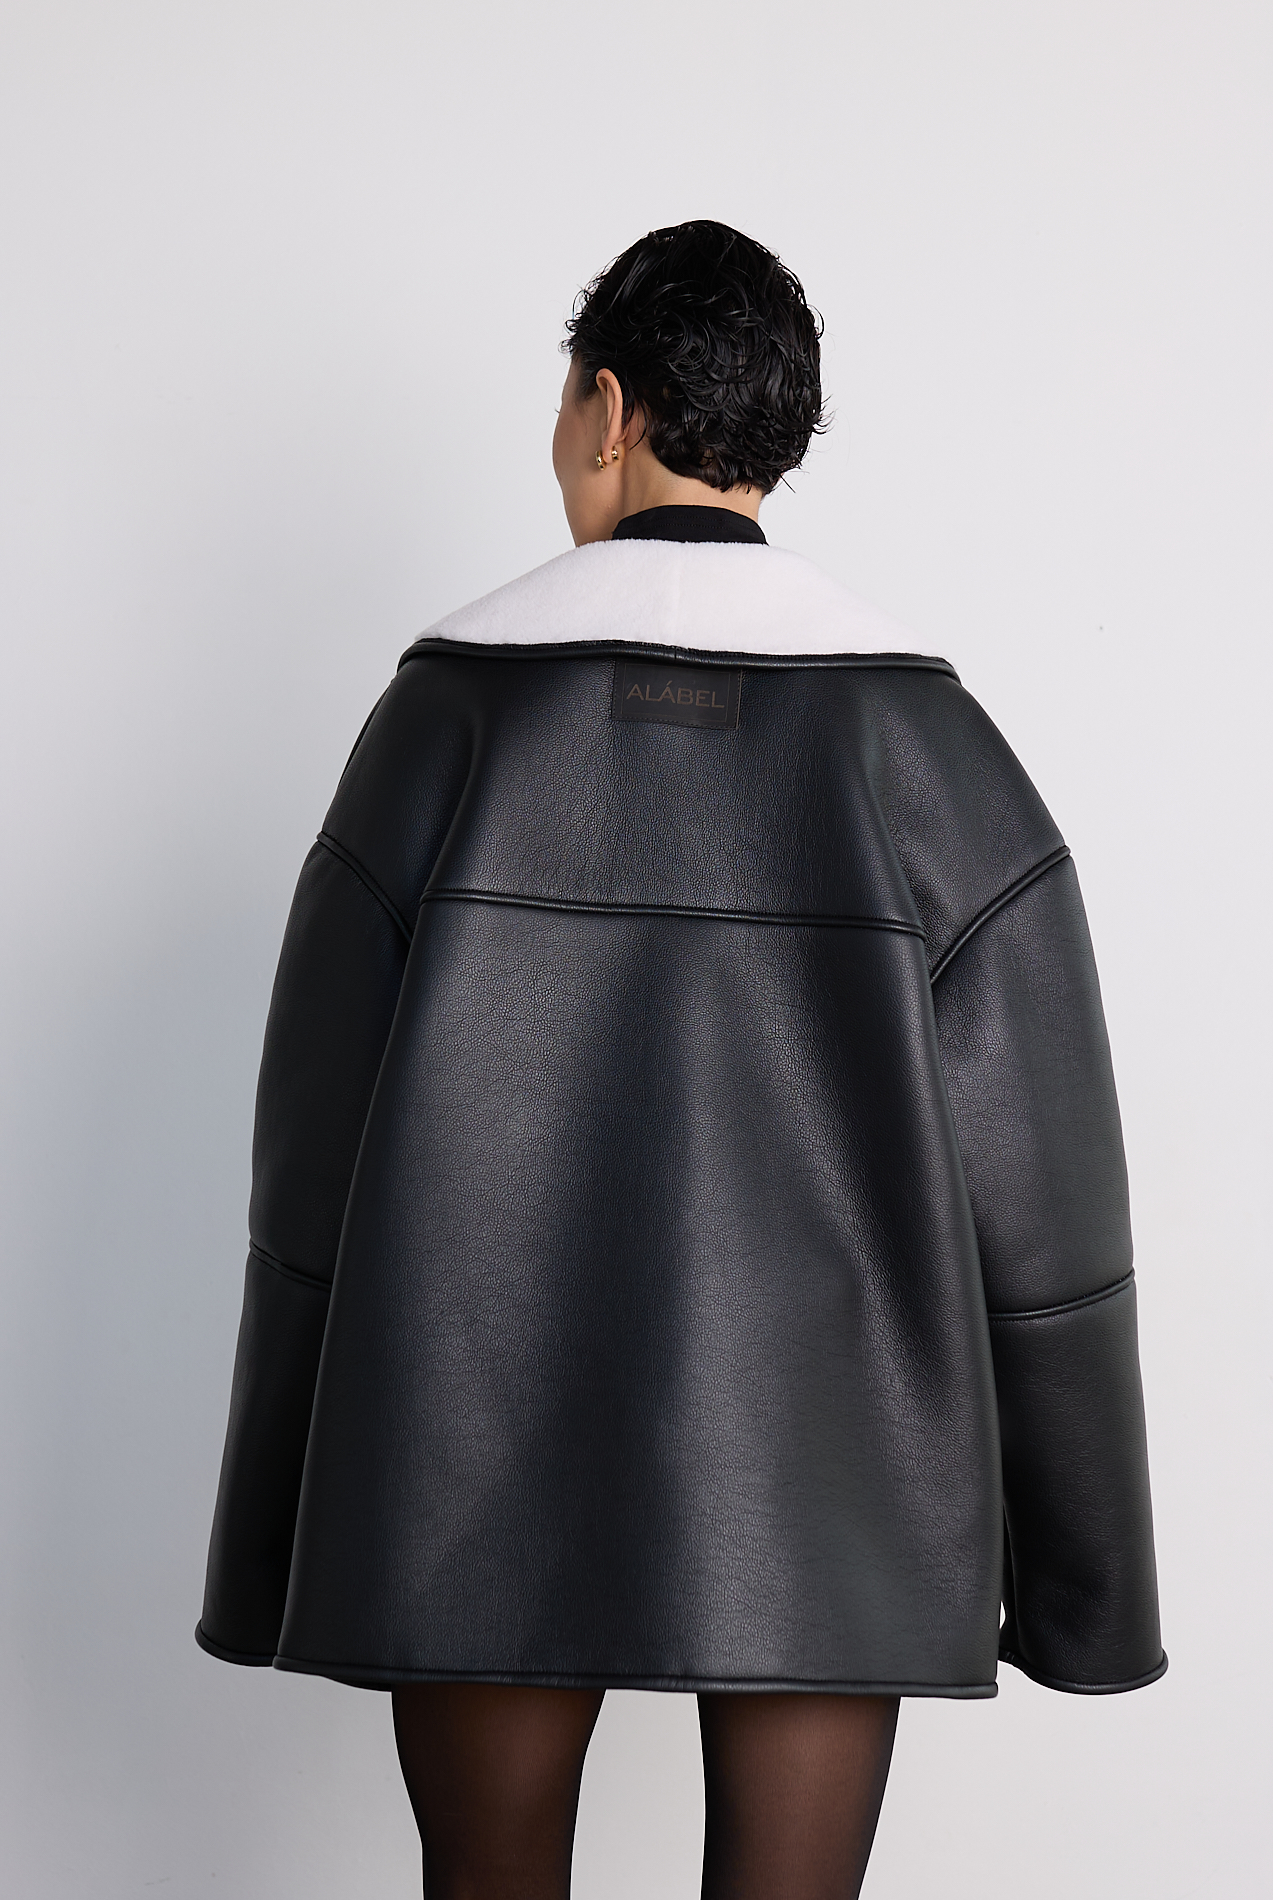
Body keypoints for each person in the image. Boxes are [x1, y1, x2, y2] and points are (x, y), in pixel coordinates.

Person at [197, 220, 1165, 1899]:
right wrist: (1088, 1592)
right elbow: (1050, 1212)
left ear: (606, 409)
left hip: (461, 1439)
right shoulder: (925, 737)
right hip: (839, 1463)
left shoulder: (446, 714)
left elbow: (309, 1182)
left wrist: (270, 1533)